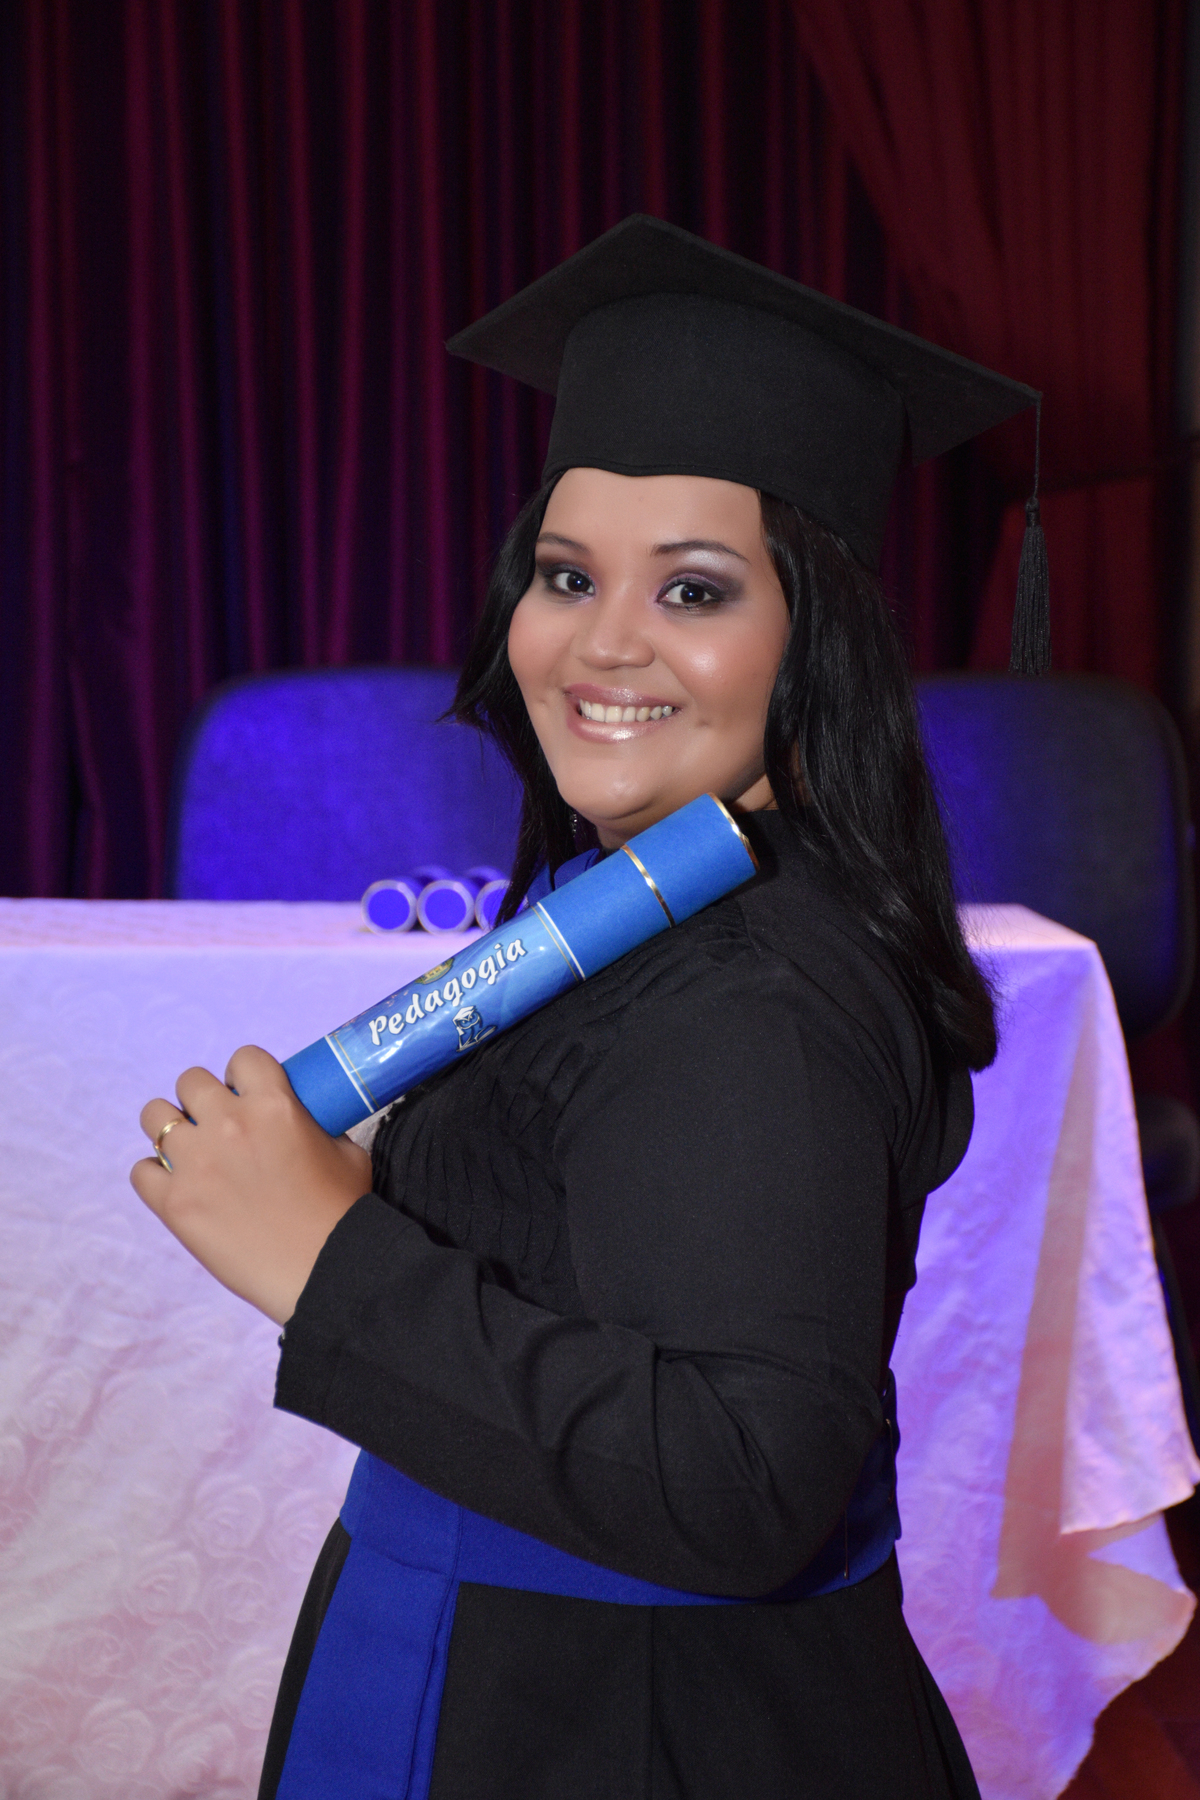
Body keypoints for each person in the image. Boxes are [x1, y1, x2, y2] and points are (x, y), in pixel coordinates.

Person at [131, 217, 1038, 1799]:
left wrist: (325, 1260)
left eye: (693, 588)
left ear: (813, 638)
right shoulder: (652, 906)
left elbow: (747, 1483)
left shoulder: (758, 996)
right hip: (539, 1663)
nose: (604, 641)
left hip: (613, 1722)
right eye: (567, 575)